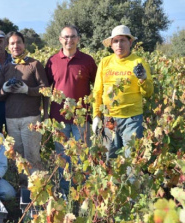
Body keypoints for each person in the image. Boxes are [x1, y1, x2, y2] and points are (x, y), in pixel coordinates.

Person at [45, 24, 97, 196]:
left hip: (82, 119)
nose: (69, 40)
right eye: (66, 37)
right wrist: (45, 115)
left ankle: (84, 194)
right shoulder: (52, 61)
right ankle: (66, 195)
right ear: (60, 39)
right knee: (63, 159)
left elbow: (97, 88)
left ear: (78, 39)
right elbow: (46, 90)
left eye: (73, 36)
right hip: (59, 120)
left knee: (83, 158)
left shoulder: (88, 61)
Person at [92, 25, 153, 159]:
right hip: (109, 120)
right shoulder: (105, 62)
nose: (119, 44)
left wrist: (143, 79)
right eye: (116, 41)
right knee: (110, 159)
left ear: (130, 42)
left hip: (132, 119)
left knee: (131, 159)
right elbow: (97, 91)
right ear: (111, 44)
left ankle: (131, 181)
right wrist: (96, 115)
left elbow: (148, 93)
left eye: (123, 40)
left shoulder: (138, 62)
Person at [0, 31, 49, 184]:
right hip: (11, 119)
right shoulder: (6, 68)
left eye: (18, 42)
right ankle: (23, 191)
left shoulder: (34, 64)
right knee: (18, 158)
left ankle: (37, 190)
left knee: (32, 156)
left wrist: (28, 90)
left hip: (30, 117)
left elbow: (45, 90)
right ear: (8, 46)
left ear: (24, 44)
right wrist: (4, 90)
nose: (16, 46)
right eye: (12, 43)